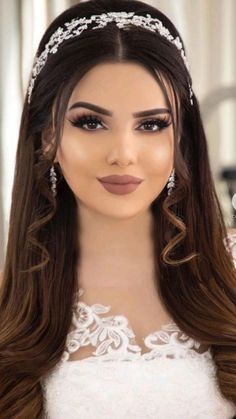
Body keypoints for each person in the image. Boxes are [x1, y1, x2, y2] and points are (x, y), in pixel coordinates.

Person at [0, 0, 236, 417]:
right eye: (91, 122)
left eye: (152, 124)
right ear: (47, 136)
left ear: (180, 136)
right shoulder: (12, 302)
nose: (124, 155)